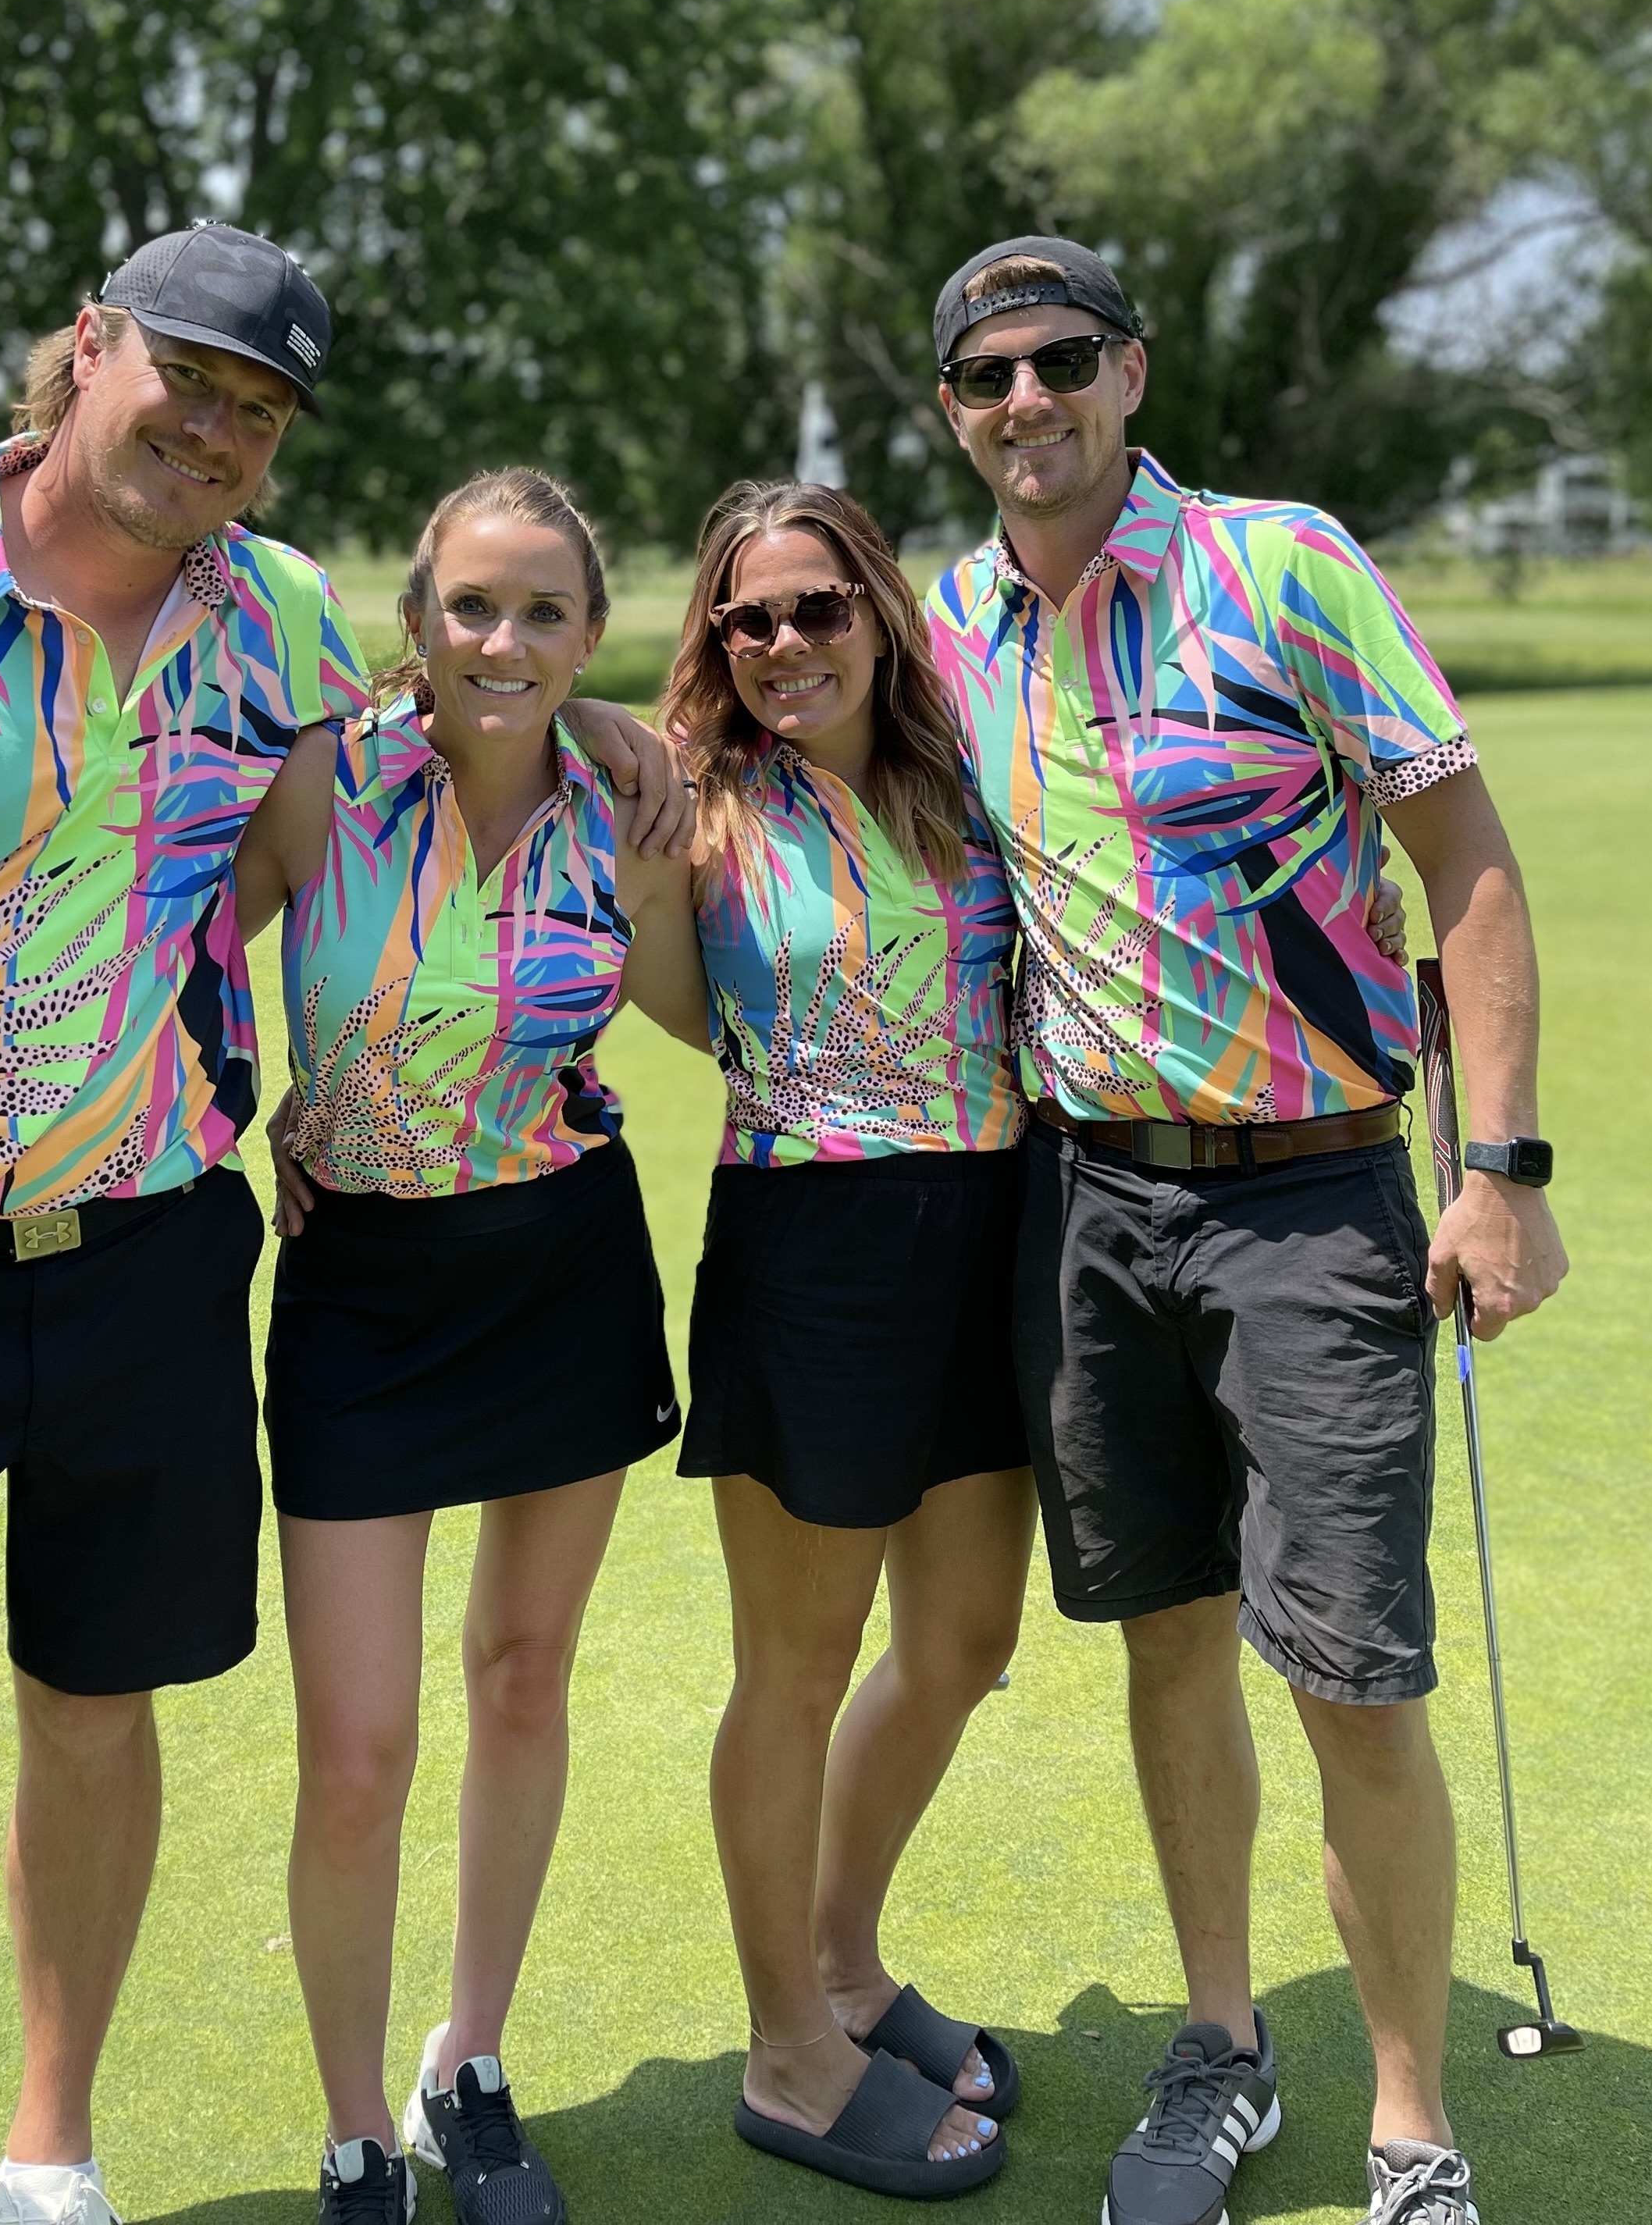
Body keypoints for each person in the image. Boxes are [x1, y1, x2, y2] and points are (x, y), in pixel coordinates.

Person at [0, 232, 689, 2225]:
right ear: (89, 350)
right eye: (191, 380)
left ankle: (48, 2150)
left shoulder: (277, 617)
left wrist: (598, 731)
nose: (218, 432)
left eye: (261, 411)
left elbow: (440, 729)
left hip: (152, 1259)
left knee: (95, 1707)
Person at [921, 237, 1569, 2225]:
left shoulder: (1282, 568)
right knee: (1171, 1639)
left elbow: (1464, 864)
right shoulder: (948, 622)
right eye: (986, 377)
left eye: (1061, 361)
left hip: (1311, 1195)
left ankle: (1411, 2126)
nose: (1026, 403)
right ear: (952, 411)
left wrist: (1501, 1170)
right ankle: (1224, 2046)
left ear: (1130, 371)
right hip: (1088, 1196)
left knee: (1355, 1673)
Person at [238, 468, 705, 2225]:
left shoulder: (626, 811)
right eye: (474, 607)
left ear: (592, 637)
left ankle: (469, 2066)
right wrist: (256, 1115)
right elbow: (163, 940)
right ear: (418, 622)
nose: (504, 642)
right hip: (358, 1294)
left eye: (545, 615)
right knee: (357, 1750)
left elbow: (704, 1014)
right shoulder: (321, 782)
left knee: (522, 1675)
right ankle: (357, 2124)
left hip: (559, 1273)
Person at [657, 479, 1028, 2201]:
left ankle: (847, 1965)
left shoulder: (964, 774)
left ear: (879, 611)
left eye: (816, 607)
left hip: (996, 1229)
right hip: (812, 1245)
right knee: (796, 1670)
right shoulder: (686, 798)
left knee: (963, 1641)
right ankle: (787, 2050)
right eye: (746, 618)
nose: (783, 641)